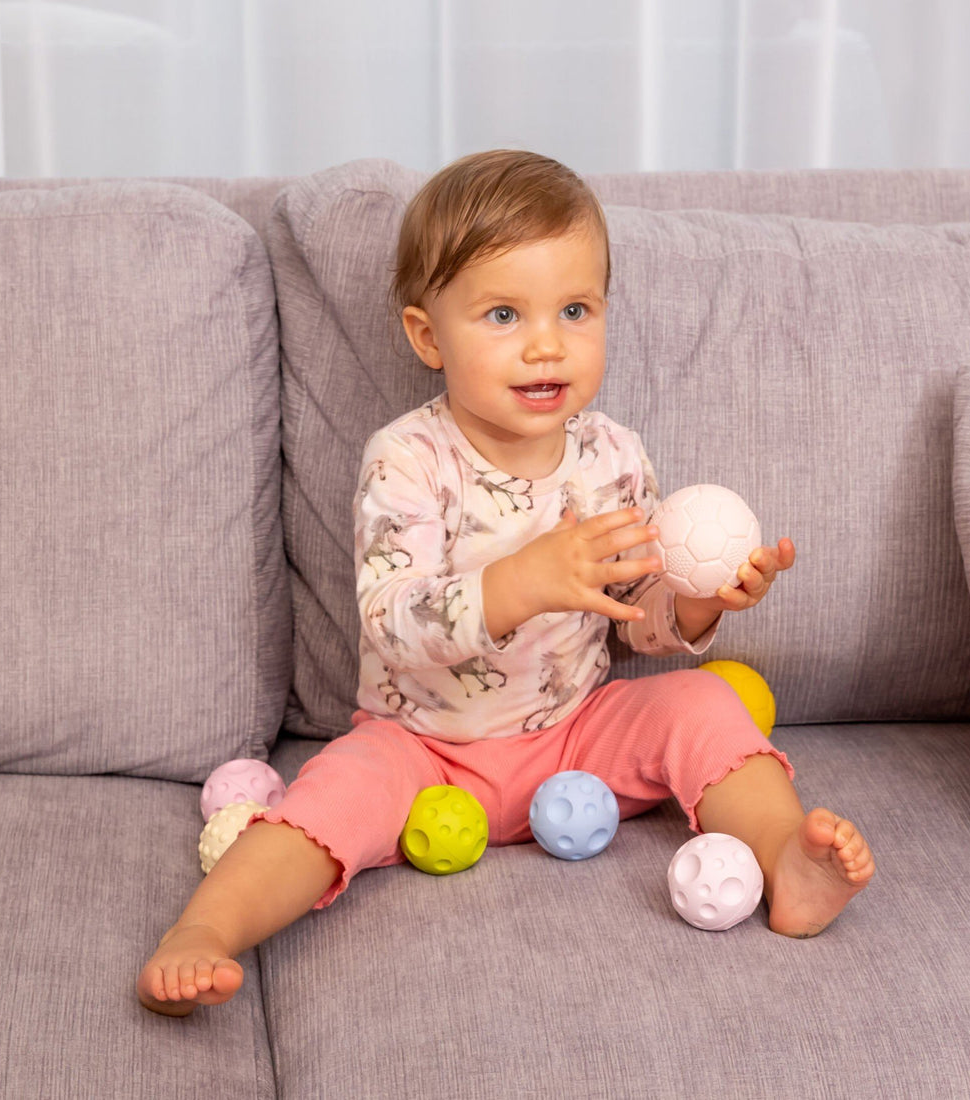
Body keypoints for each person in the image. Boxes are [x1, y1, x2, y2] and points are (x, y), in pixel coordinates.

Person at [137, 149, 875, 1015]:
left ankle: (790, 859)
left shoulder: (612, 457)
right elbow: (391, 622)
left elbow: (635, 618)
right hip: (424, 747)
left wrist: (703, 602)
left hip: (577, 733)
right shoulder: (408, 461)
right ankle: (206, 929)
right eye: (501, 313)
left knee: (704, 706)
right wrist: (522, 579)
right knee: (332, 798)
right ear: (426, 336)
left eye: (574, 309)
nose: (545, 343)